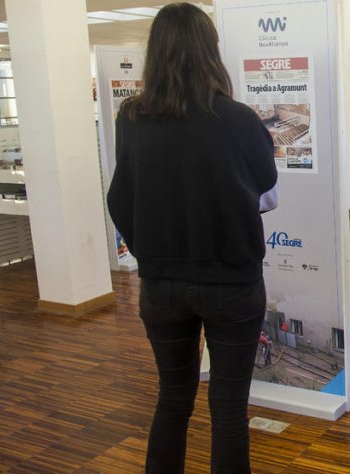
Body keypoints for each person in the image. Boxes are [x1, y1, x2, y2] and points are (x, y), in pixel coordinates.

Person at [106, 3, 278, 473]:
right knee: (228, 411)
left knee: (172, 401)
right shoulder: (240, 119)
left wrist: (152, 251)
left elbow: (120, 199)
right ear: (211, 52)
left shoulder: (132, 118)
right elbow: (267, 194)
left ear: (154, 53)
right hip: (233, 284)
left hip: (161, 286)